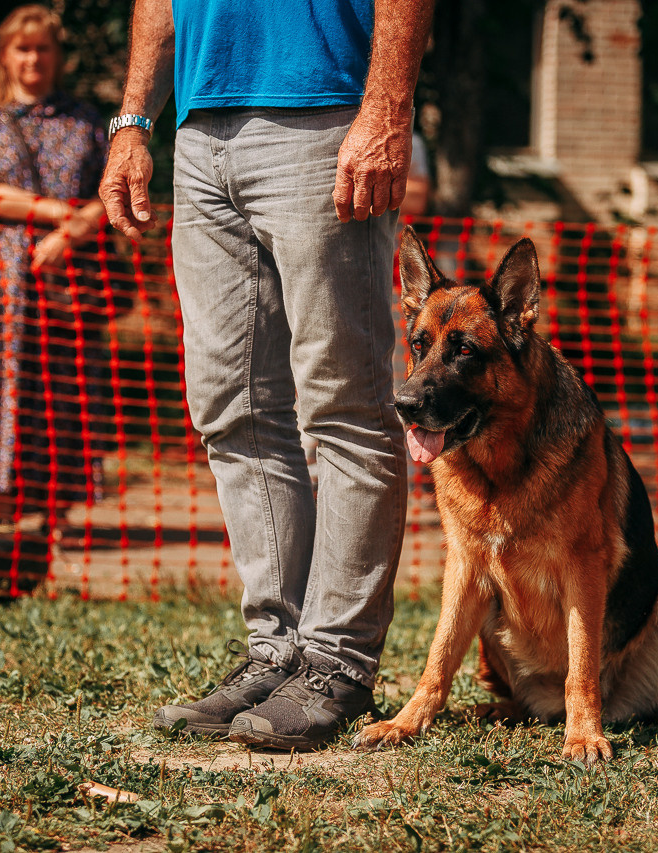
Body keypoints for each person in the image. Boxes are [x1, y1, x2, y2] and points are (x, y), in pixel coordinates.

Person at [100, 0, 434, 749]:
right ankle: (276, 651)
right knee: (231, 407)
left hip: (325, 116)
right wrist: (133, 121)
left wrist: (387, 107)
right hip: (199, 131)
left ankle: (336, 663)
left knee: (343, 407)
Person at [0, 4, 110, 533]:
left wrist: (69, 235)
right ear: (6, 56)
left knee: (64, 387)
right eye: (23, 48)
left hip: (67, 280)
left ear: (58, 56)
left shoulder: (85, 121)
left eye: (43, 48)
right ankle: (1, 503)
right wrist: (56, 212)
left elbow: (110, 193)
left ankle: (56, 508)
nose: (33, 58)